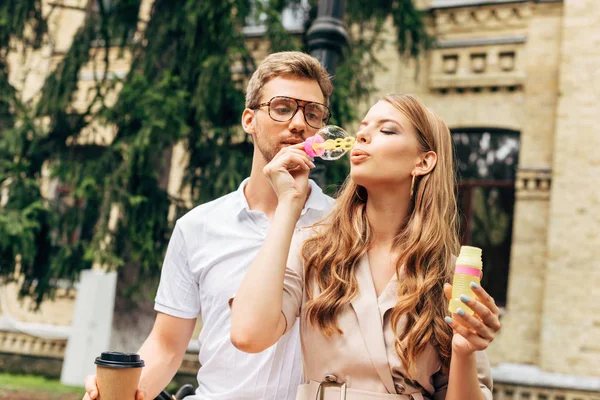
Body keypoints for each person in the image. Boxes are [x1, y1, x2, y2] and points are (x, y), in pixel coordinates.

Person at [83, 51, 335, 400]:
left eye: (313, 113)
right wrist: (122, 391)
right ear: (249, 119)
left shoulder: (345, 224)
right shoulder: (198, 226)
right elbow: (167, 345)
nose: (298, 123)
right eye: (281, 108)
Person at [230, 94, 502, 399]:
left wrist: (463, 350)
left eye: (386, 130)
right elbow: (247, 335)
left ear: (423, 162)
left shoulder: (446, 273)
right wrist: (288, 206)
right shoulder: (315, 247)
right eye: (363, 128)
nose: (361, 135)